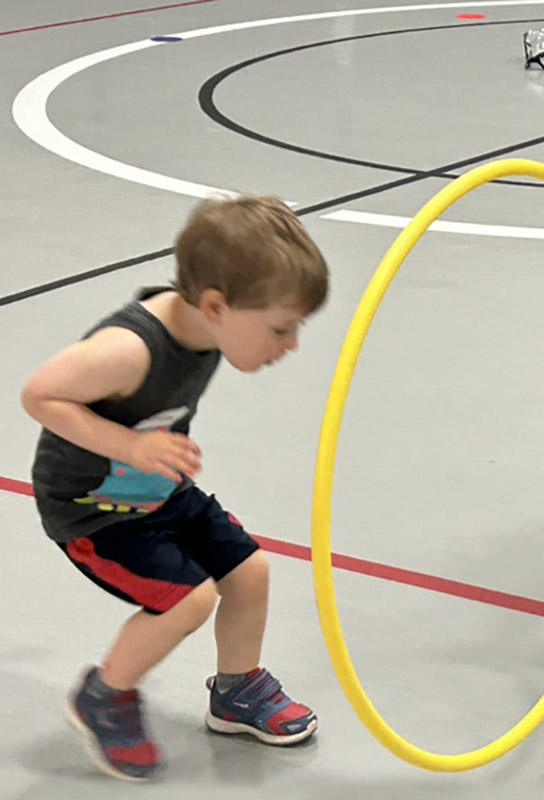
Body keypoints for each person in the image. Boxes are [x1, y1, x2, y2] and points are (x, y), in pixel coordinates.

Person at [20, 195, 330, 781]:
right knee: (187, 599)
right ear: (216, 305)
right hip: (95, 510)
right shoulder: (129, 350)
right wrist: (130, 446)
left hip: (157, 488)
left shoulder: (211, 320)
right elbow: (40, 394)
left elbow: (241, 232)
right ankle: (104, 696)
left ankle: (236, 693)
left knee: (250, 573)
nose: (290, 346)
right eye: (281, 329)